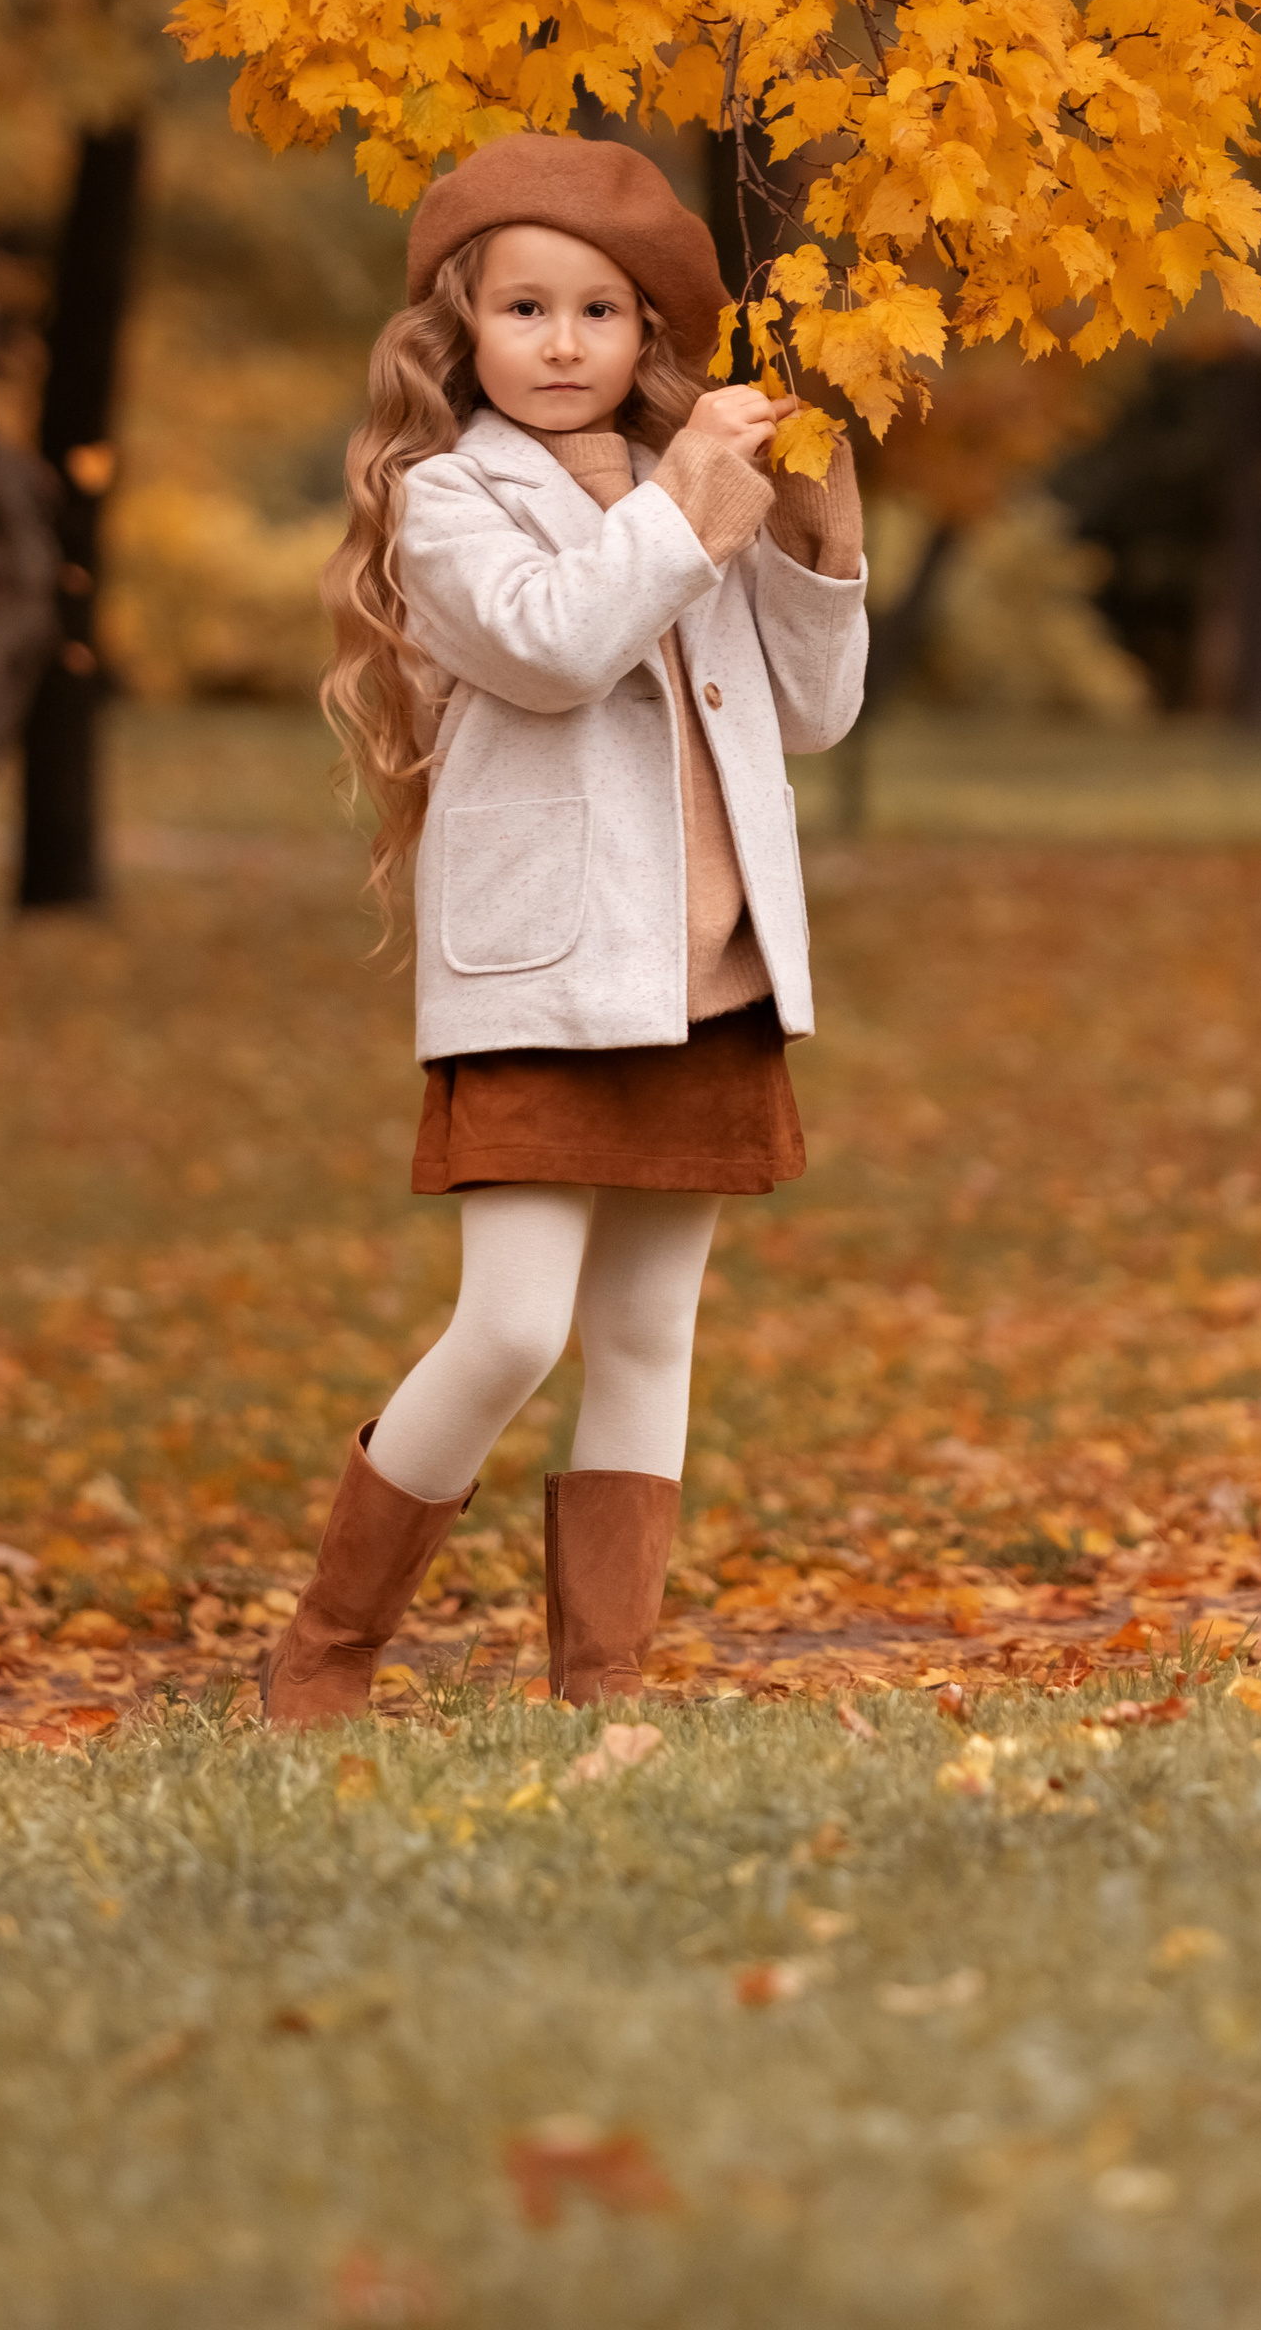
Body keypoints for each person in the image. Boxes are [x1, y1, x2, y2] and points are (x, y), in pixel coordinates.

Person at [260, 134, 867, 1728]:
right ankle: (324, 1659)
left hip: (707, 977)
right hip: (543, 976)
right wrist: (692, 508)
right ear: (460, 328)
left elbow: (815, 712)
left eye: (601, 313)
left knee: (651, 1328)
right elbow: (552, 649)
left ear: (645, 336)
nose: (562, 342)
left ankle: (605, 1690)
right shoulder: (448, 498)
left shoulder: (701, 496)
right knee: (516, 1321)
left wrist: (821, 534)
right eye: (524, 308)